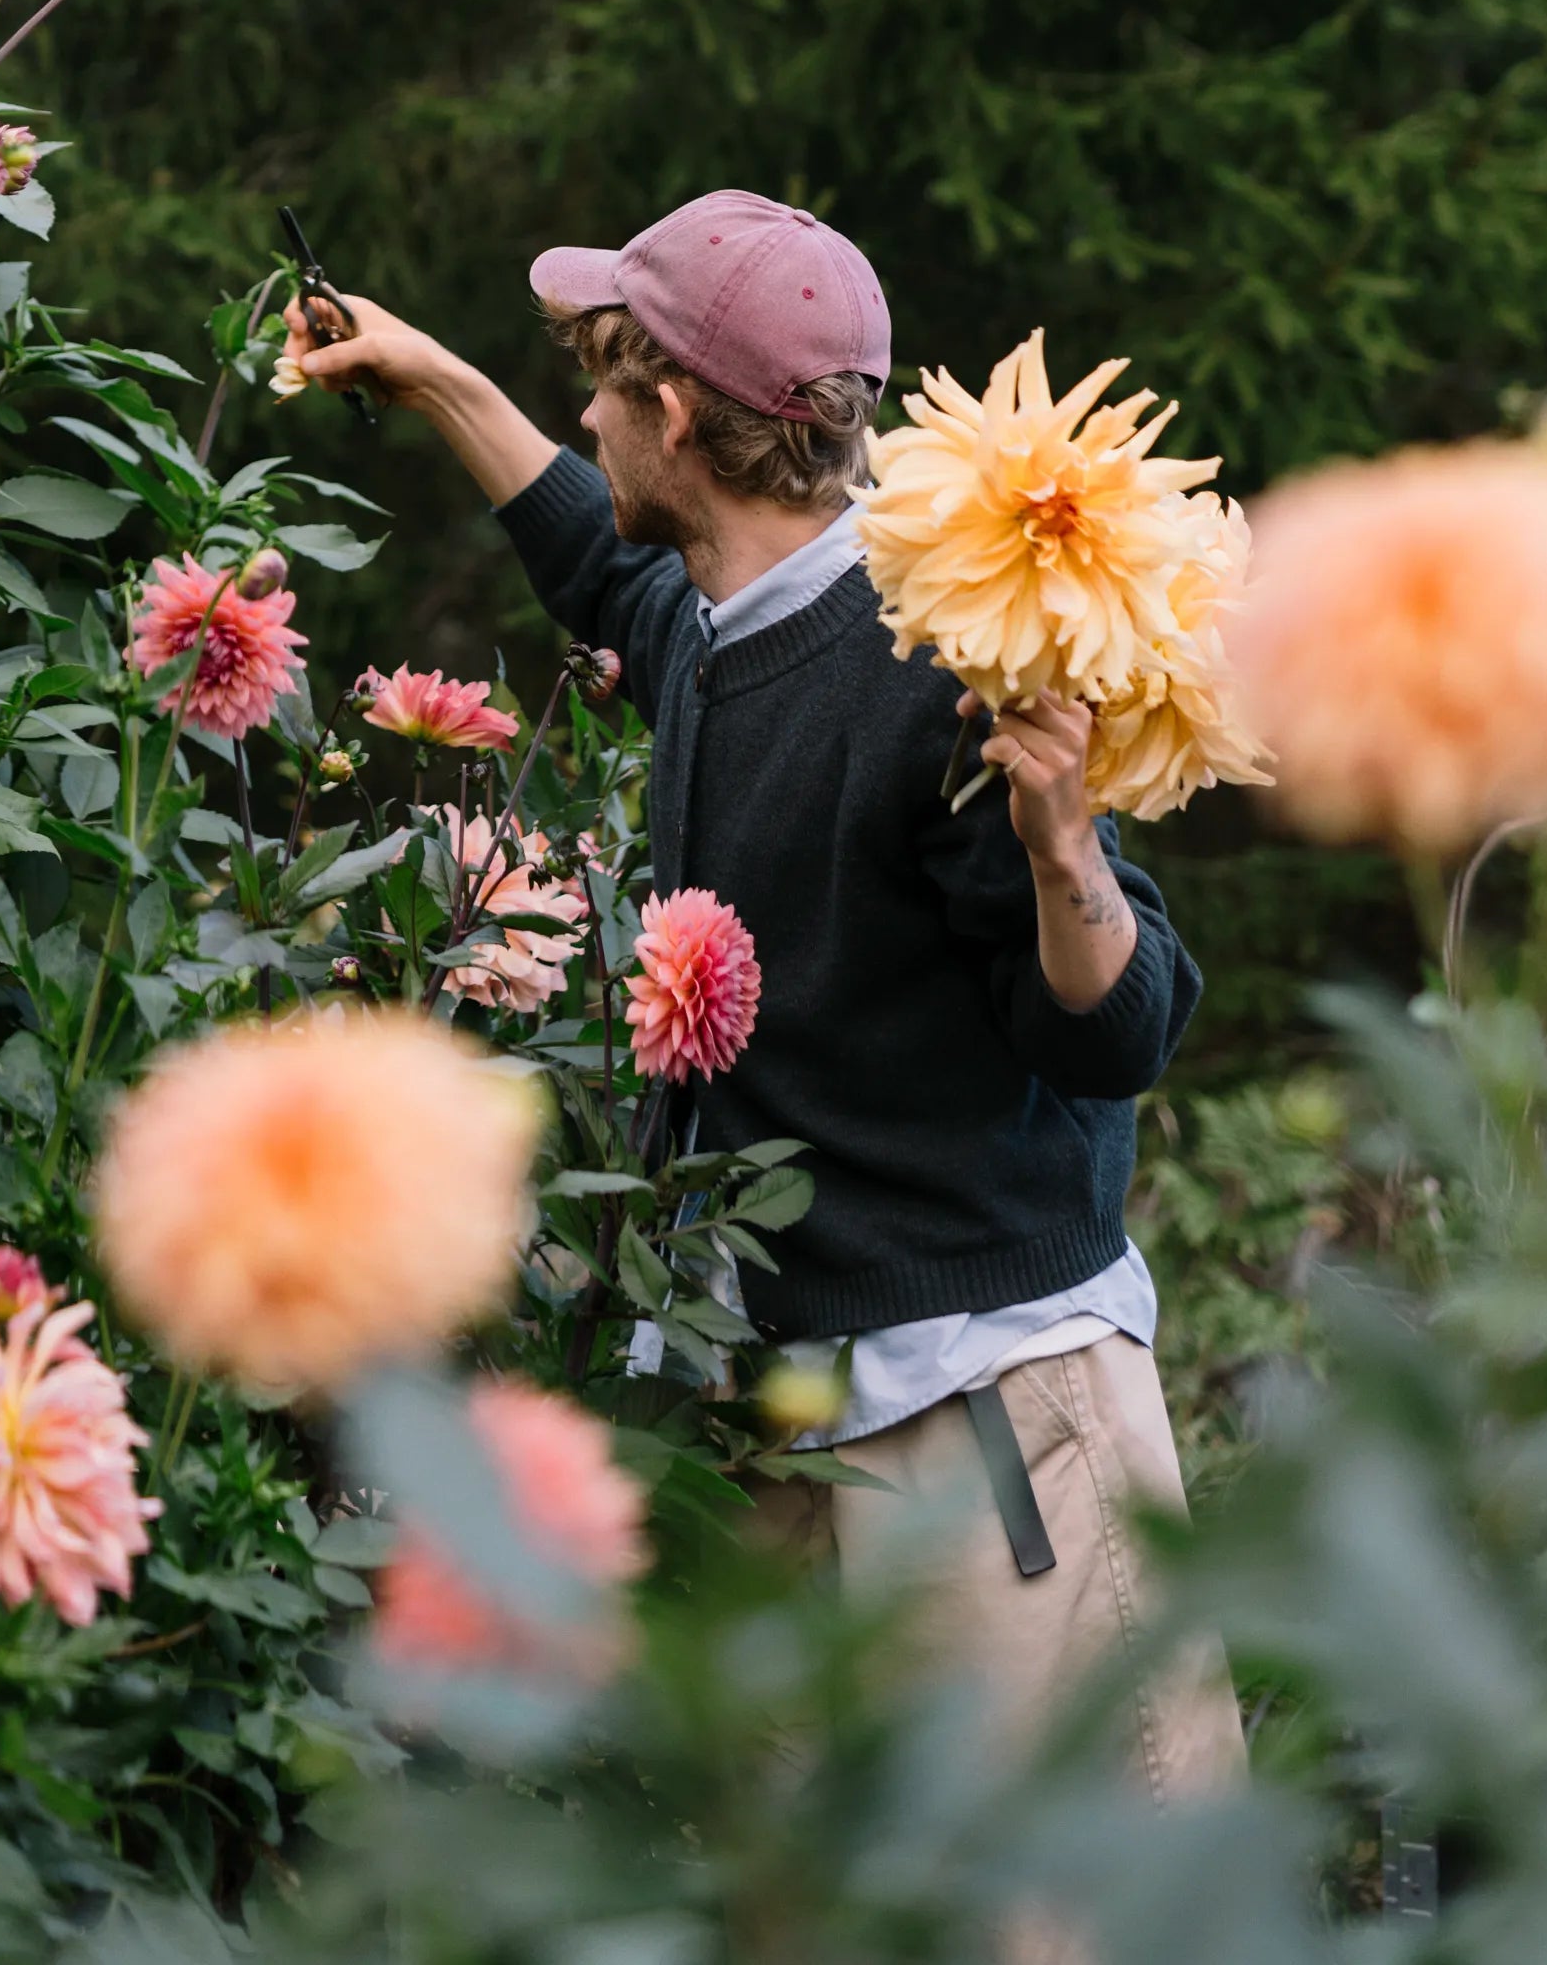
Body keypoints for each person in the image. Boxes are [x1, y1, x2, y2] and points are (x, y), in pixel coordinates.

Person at [284, 187, 1243, 1802]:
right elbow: (607, 569)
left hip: (989, 1416)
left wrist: (1065, 841)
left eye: (602, 383)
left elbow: (1119, 1027)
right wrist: (436, 377)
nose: (585, 417)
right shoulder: (732, 622)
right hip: (799, 1415)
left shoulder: (941, 662)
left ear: (672, 414)